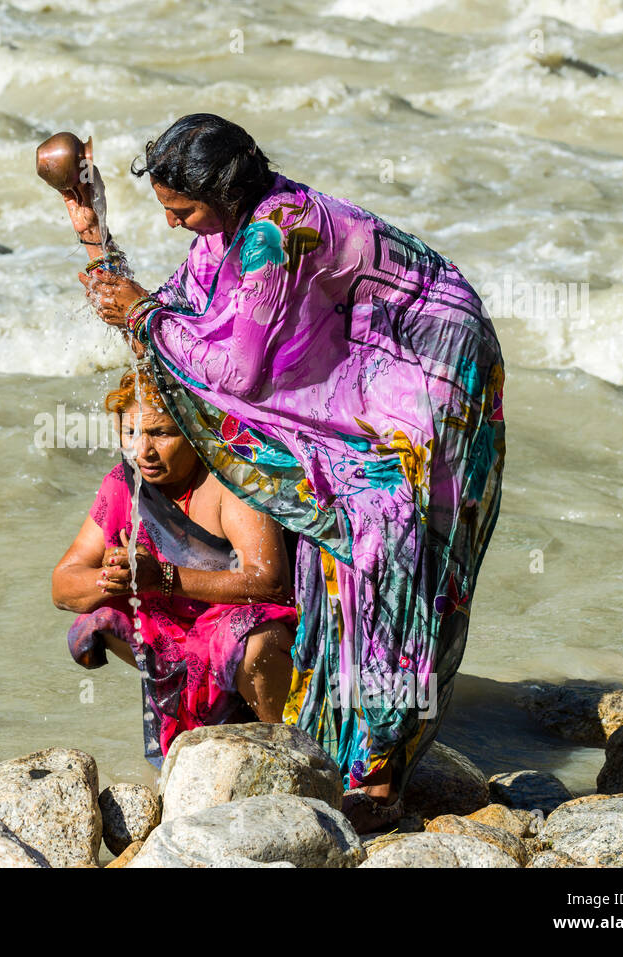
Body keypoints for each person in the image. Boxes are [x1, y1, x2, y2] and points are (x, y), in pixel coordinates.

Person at [58, 113, 506, 833]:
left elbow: (233, 367)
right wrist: (89, 223)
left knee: (378, 540)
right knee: (328, 539)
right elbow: (171, 315)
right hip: (359, 375)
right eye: (165, 211)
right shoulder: (224, 233)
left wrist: (141, 312)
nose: (174, 226)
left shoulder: (273, 233)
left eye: (183, 211)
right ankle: (328, 740)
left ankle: (379, 775)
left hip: (429, 377)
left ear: (226, 190)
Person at [50, 366, 299, 768]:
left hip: (242, 632)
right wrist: (116, 578)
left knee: (253, 638)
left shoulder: (231, 479)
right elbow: (62, 585)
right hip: (175, 640)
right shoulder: (122, 485)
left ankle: (294, 751)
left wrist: (162, 578)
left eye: (161, 433)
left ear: (194, 429)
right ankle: (198, 743)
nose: (142, 450)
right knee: (98, 616)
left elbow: (270, 581)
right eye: (130, 432)